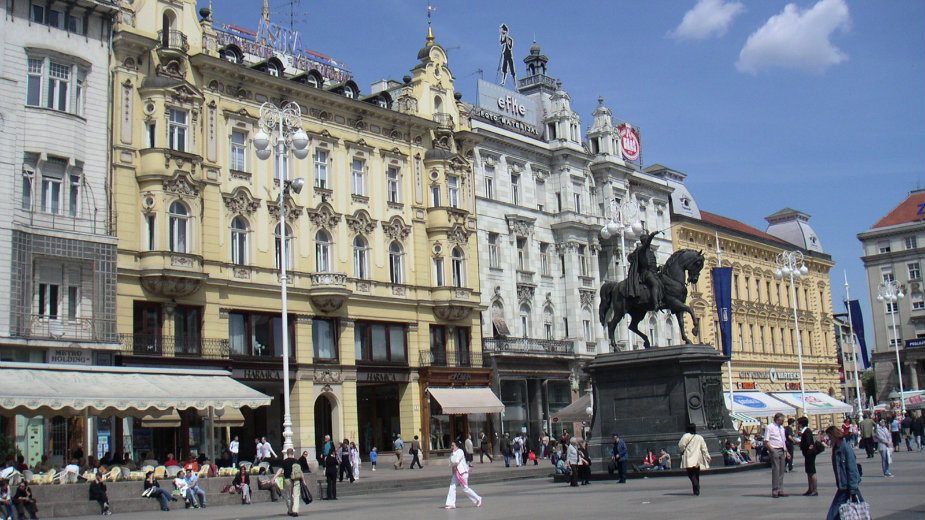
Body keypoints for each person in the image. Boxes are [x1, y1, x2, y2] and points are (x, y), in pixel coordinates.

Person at [825, 425, 863, 520]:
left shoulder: (846, 449)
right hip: (843, 485)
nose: (828, 439)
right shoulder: (836, 448)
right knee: (858, 508)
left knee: (832, 514)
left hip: (848, 486)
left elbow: (852, 469)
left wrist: (853, 488)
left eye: (829, 437)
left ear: (834, 436)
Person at [626, 230, 663, 310]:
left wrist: (657, 269)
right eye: (647, 241)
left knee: (663, 282)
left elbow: (651, 265)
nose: (649, 243)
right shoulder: (642, 250)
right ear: (645, 242)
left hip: (652, 272)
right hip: (645, 273)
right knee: (654, 283)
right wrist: (652, 235)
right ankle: (656, 303)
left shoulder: (650, 252)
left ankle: (661, 300)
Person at [444, 441, 482, 509]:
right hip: (456, 473)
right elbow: (450, 463)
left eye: (453, 445)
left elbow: (456, 461)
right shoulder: (452, 453)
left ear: (456, 446)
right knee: (452, 487)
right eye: (451, 445)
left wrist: (452, 462)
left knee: (465, 489)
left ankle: (478, 498)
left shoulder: (460, 451)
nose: (451, 447)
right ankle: (451, 503)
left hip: (462, 473)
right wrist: (452, 461)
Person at [679, 423, 711, 496]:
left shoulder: (686, 436)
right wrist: (707, 456)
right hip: (697, 457)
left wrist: (683, 450)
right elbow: (704, 448)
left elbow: (681, 445)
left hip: (689, 457)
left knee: (690, 473)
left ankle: (696, 485)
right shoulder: (699, 437)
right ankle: (696, 489)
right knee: (696, 474)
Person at [764, 412, 790, 497]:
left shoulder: (782, 428)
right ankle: (775, 490)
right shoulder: (769, 427)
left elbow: (783, 441)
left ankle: (780, 490)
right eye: (782, 420)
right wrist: (772, 450)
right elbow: (766, 441)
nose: (783, 422)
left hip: (782, 449)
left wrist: (786, 451)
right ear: (777, 419)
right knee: (776, 470)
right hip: (774, 449)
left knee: (782, 470)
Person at [798, 416, 821, 496]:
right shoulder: (806, 431)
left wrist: (801, 443)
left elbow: (808, 443)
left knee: (811, 472)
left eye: (799, 424)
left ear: (801, 424)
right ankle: (810, 489)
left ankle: (814, 490)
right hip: (808, 454)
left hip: (809, 454)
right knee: (809, 472)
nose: (798, 425)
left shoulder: (806, 431)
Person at [281, 448, 302, 517]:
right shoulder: (297, 461)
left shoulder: (284, 461)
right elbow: (300, 472)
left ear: (287, 453)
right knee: (296, 495)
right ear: (293, 453)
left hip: (287, 480)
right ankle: (295, 511)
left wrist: (274, 478)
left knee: (288, 496)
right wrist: (304, 481)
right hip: (296, 479)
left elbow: (280, 470)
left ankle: (290, 511)